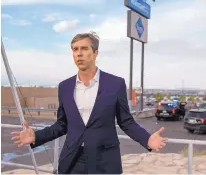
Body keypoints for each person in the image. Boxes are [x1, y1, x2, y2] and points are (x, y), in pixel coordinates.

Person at [11, 32, 168, 174]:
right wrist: (36, 137)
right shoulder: (64, 87)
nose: (79, 54)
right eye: (75, 49)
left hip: (105, 162)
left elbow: (126, 122)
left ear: (95, 53)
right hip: (72, 161)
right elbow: (62, 125)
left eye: (84, 49)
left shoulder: (115, 84)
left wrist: (147, 139)